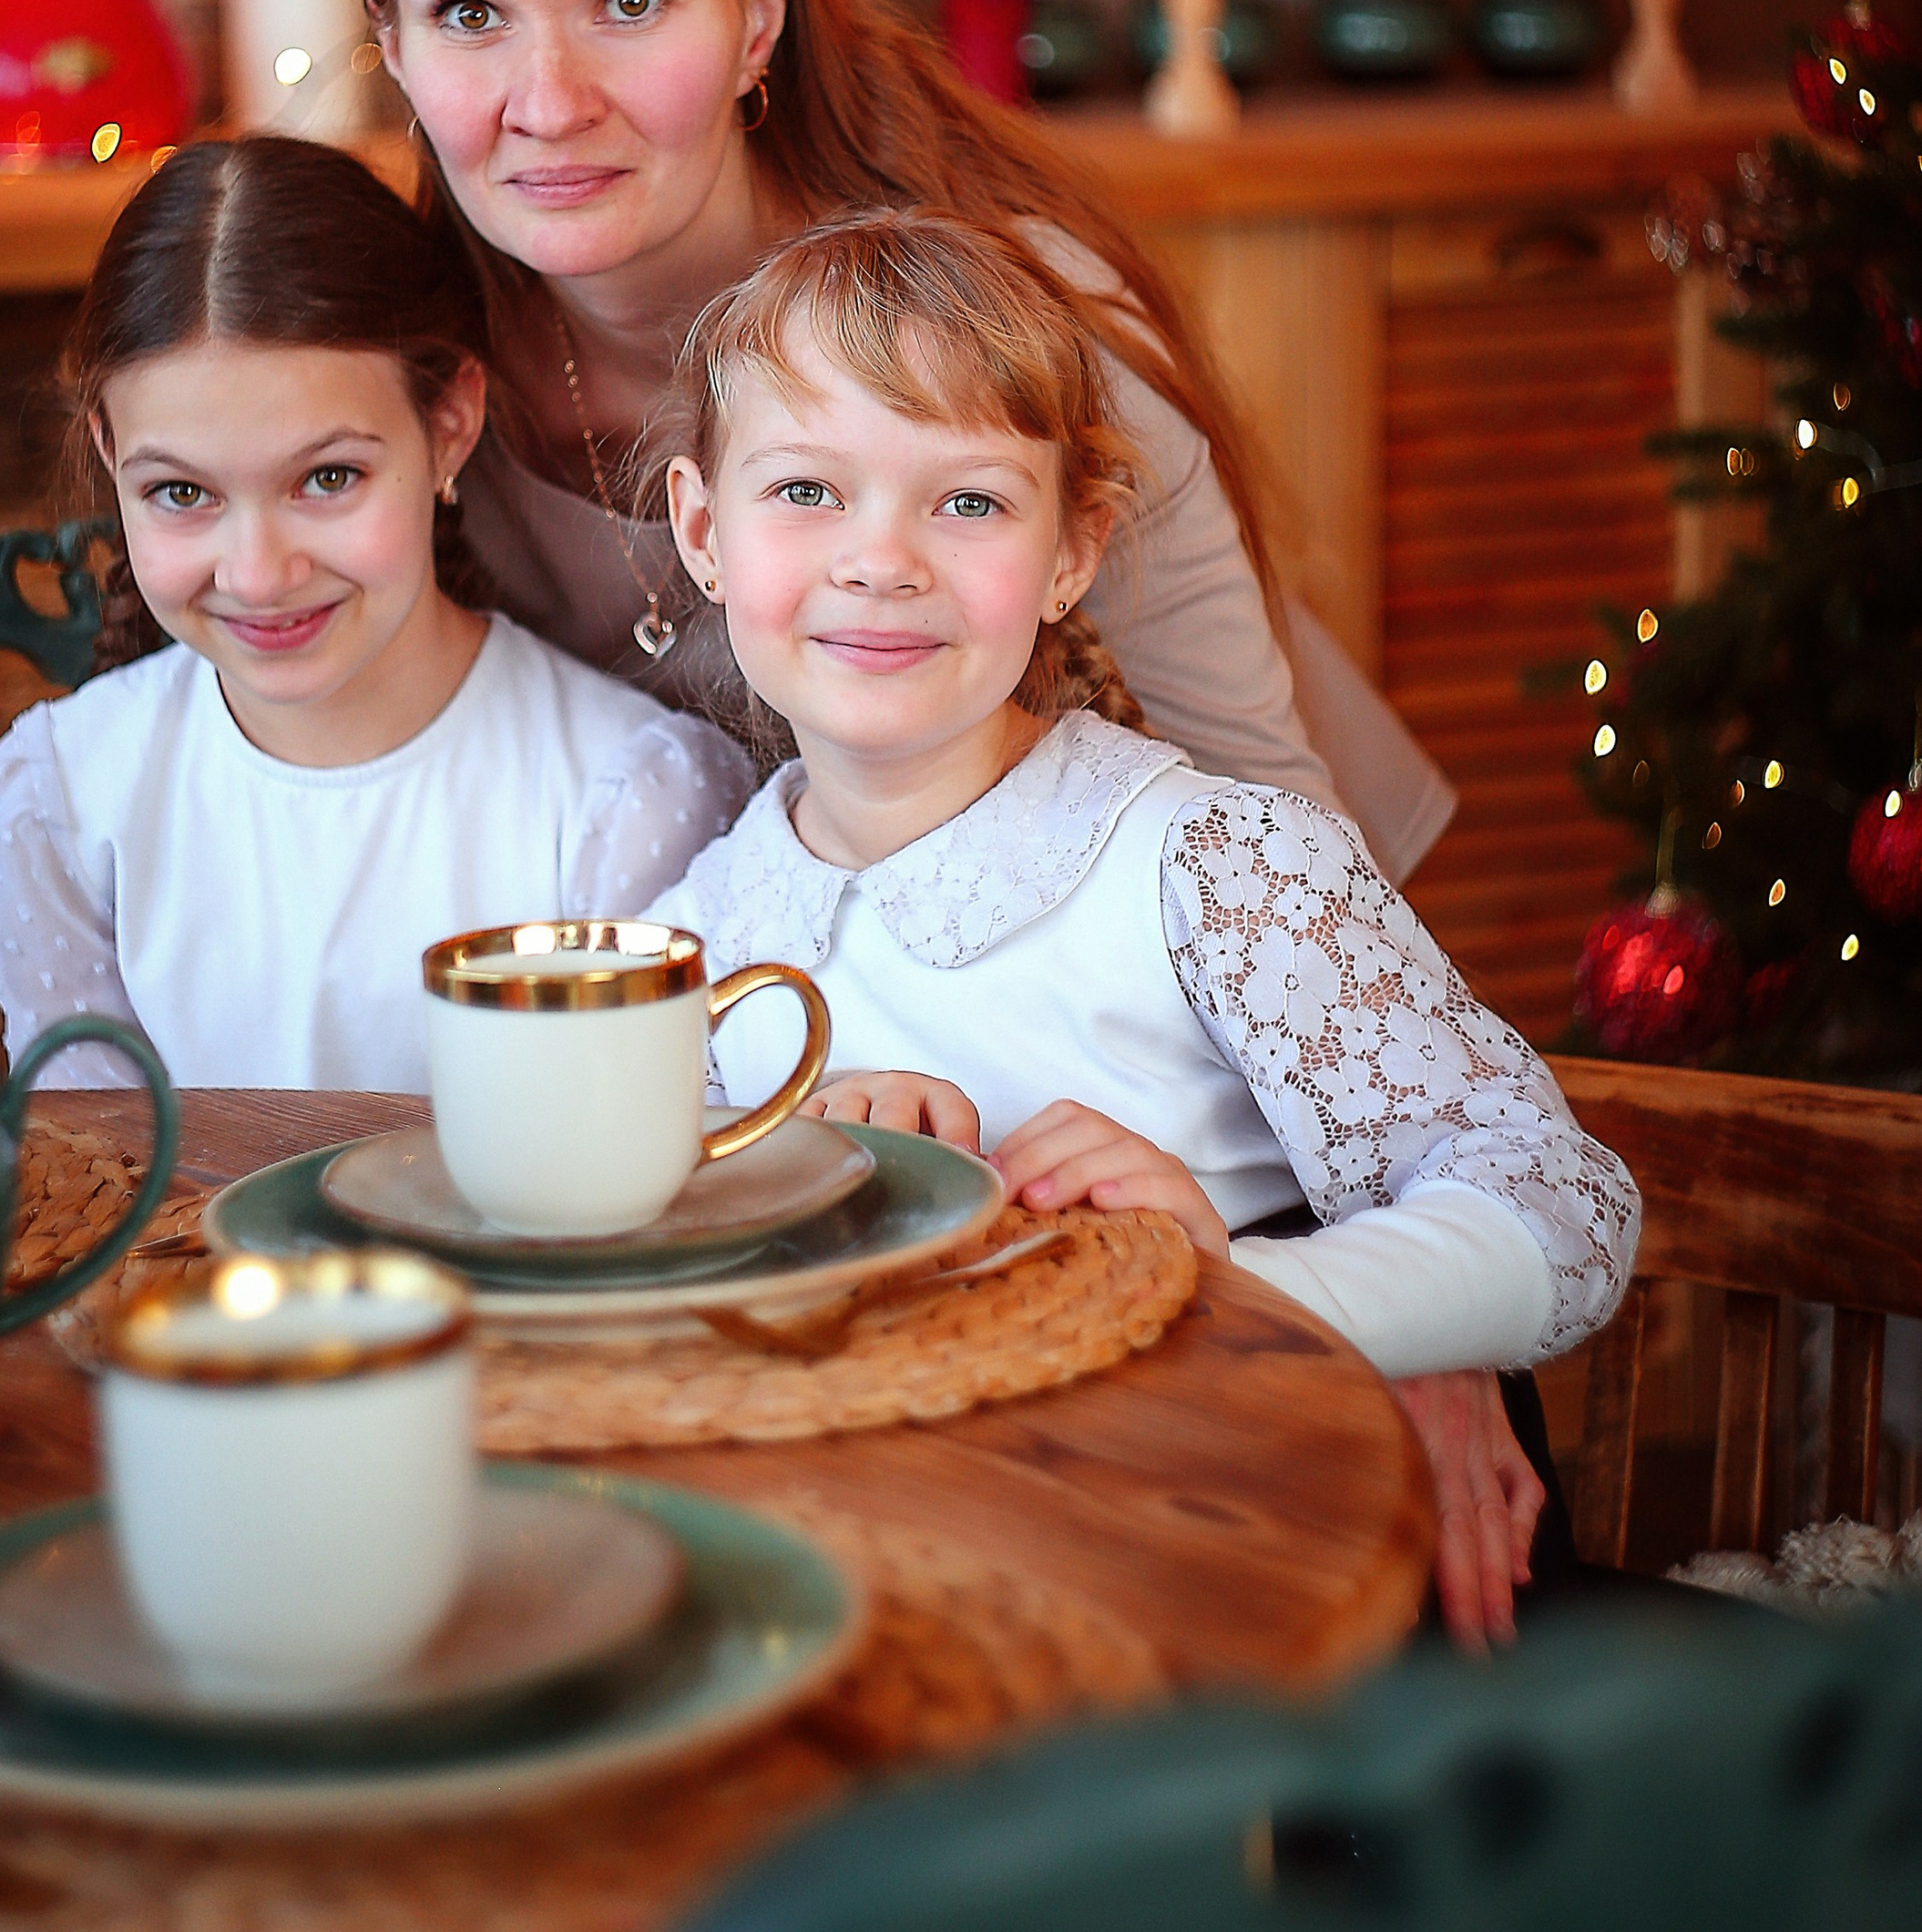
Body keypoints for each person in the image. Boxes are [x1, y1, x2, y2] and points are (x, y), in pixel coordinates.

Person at [349, 0, 1541, 1634]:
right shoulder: (426, 383)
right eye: (472, 14)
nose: (542, 99)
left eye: (627, 1)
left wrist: (1405, 1315)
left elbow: (1264, 813)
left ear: (755, 13)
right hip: (883, 1091)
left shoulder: (1002, 310)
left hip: (1215, 1034)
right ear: (393, 40)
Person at [641, 212, 1640, 1522]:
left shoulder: (1218, 870)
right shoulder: (686, 946)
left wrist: (1217, 1285)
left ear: (1072, 551)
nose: (879, 560)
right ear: (705, 531)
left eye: (969, 501)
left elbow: (1565, 1206)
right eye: (807, 491)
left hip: (1223, 1539)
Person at [0, 136, 750, 1087]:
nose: (257, 574)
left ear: (449, 426)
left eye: (327, 478)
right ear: (107, 445)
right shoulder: (58, 796)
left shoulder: (627, 800)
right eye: (181, 494)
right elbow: (89, 1179)